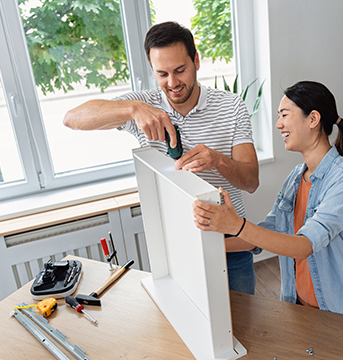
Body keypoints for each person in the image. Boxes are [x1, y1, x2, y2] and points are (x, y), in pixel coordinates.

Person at [63, 21, 259, 294]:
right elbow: (72, 119)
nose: (173, 83)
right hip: (174, 244)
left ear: (197, 61)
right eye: (162, 74)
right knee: (182, 328)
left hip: (230, 244)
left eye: (180, 70)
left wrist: (218, 160)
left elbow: (251, 182)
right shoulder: (143, 106)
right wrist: (132, 109)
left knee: (244, 327)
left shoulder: (231, 106)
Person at [193, 81, 343, 320]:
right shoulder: (296, 177)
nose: (278, 124)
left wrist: (236, 225)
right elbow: (268, 233)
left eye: (284, 115)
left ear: (313, 119)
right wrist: (208, 247)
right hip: (299, 309)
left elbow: (303, 246)